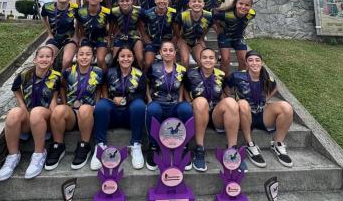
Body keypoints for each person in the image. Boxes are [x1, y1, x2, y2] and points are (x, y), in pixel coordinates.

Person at [0, 45, 61, 181]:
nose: (44, 59)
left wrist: (54, 112)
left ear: (52, 60)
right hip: (28, 116)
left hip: (45, 117)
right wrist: (21, 104)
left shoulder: (56, 77)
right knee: (14, 113)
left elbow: (55, 97)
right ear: (35, 59)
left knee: (37, 112)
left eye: (48, 56)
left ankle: (39, 154)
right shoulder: (24, 74)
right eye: (41, 56)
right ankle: (13, 155)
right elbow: (15, 89)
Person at [228, 51, 294, 168]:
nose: (254, 63)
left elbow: (275, 87)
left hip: (261, 113)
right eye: (251, 60)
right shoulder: (237, 76)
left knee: (287, 107)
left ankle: (278, 144)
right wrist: (231, 102)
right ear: (246, 63)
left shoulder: (267, 77)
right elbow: (225, 87)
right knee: (243, 104)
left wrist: (267, 99)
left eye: (257, 60)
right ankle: (250, 144)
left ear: (262, 62)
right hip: (243, 115)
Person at [45, 44, 105, 170]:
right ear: (76, 57)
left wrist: (97, 102)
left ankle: (84, 145)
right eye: (81, 54)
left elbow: (101, 88)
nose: (84, 57)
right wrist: (65, 103)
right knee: (59, 110)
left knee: (84, 109)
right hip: (72, 112)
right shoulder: (68, 72)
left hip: (89, 111)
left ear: (93, 57)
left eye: (88, 54)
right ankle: (58, 146)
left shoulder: (98, 72)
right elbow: (61, 86)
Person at [90, 46, 147, 170]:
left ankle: (136, 145)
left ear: (133, 58)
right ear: (117, 58)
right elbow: (103, 86)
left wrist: (126, 99)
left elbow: (141, 95)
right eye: (122, 56)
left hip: (129, 115)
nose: (125, 59)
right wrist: (108, 99)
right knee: (101, 105)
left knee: (139, 105)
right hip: (113, 114)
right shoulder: (110, 72)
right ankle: (100, 145)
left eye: (129, 56)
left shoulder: (139, 74)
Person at [186, 47, 242, 172]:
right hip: (199, 112)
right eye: (204, 57)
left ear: (216, 60)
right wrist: (188, 102)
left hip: (215, 114)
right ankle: (199, 148)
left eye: (211, 58)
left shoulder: (221, 75)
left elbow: (223, 93)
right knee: (201, 101)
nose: (208, 60)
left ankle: (233, 150)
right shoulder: (190, 74)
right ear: (199, 59)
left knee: (231, 102)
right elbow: (184, 90)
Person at [144, 40, 193, 171]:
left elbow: (182, 84)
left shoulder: (181, 70)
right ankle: (154, 146)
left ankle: (183, 145)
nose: (168, 52)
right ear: (160, 52)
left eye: (171, 50)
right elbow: (146, 83)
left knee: (186, 109)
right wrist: (149, 100)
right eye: (164, 50)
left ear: (175, 53)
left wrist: (181, 99)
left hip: (174, 105)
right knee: (152, 109)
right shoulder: (153, 67)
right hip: (158, 104)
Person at [213, 0, 256, 71]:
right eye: (241, 3)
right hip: (225, 36)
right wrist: (217, 28)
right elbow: (212, 15)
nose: (243, 7)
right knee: (225, 60)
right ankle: (225, 81)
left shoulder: (252, 14)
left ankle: (240, 81)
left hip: (238, 37)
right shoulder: (226, 14)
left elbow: (243, 22)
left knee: (244, 61)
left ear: (250, 7)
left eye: (247, 5)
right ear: (236, 4)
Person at [40, 0, 79, 71]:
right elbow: (43, 17)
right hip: (54, 38)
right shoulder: (47, 6)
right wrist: (49, 33)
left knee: (67, 60)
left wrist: (76, 35)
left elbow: (79, 21)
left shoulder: (75, 8)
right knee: (47, 58)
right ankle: (51, 79)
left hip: (69, 38)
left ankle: (62, 80)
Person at [74, 0, 111, 72]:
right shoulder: (80, 12)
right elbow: (78, 23)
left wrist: (109, 36)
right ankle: (84, 78)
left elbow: (113, 24)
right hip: (87, 38)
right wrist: (81, 35)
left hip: (101, 38)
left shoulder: (107, 12)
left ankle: (104, 81)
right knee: (82, 58)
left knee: (100, 60)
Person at [140, 0, 177, 72]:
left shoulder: (173, 13)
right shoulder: (147, 13)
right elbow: (141, 25)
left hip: (166, 42)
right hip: (152, 42)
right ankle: (146, 81)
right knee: (148, 63)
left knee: (172, 63)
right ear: (155, 0)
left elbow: (176, 29)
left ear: (168, 0)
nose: (162, 1)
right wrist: (145, 38)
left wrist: (173, 41)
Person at [176, 0, 213, 68]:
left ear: (203, 4)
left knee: (202, 61)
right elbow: (175, 25)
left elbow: (208, 27)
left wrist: (202, 38)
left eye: (199, 1)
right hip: (185, 40)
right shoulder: (183, 15)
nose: (197, 3)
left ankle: (200, 79)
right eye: (194, 1)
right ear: (189, 4)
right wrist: (179, 38)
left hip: (196, 41)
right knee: (185, 60)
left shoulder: (208, 16)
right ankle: (184, 78)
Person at [108, 0, 144, 67]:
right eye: (122, 1)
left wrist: (143, 36)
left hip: (134, 35)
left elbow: (140, 24)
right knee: (115, 58)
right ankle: (117, 76)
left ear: (132, 1)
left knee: (140, 58)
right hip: (120, 35)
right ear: (118, 2)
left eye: (127, 0)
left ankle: (141, 76)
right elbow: (112, 24)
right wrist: (110, 37)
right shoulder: (114, 11)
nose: (125, 3)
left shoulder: (139, 10)